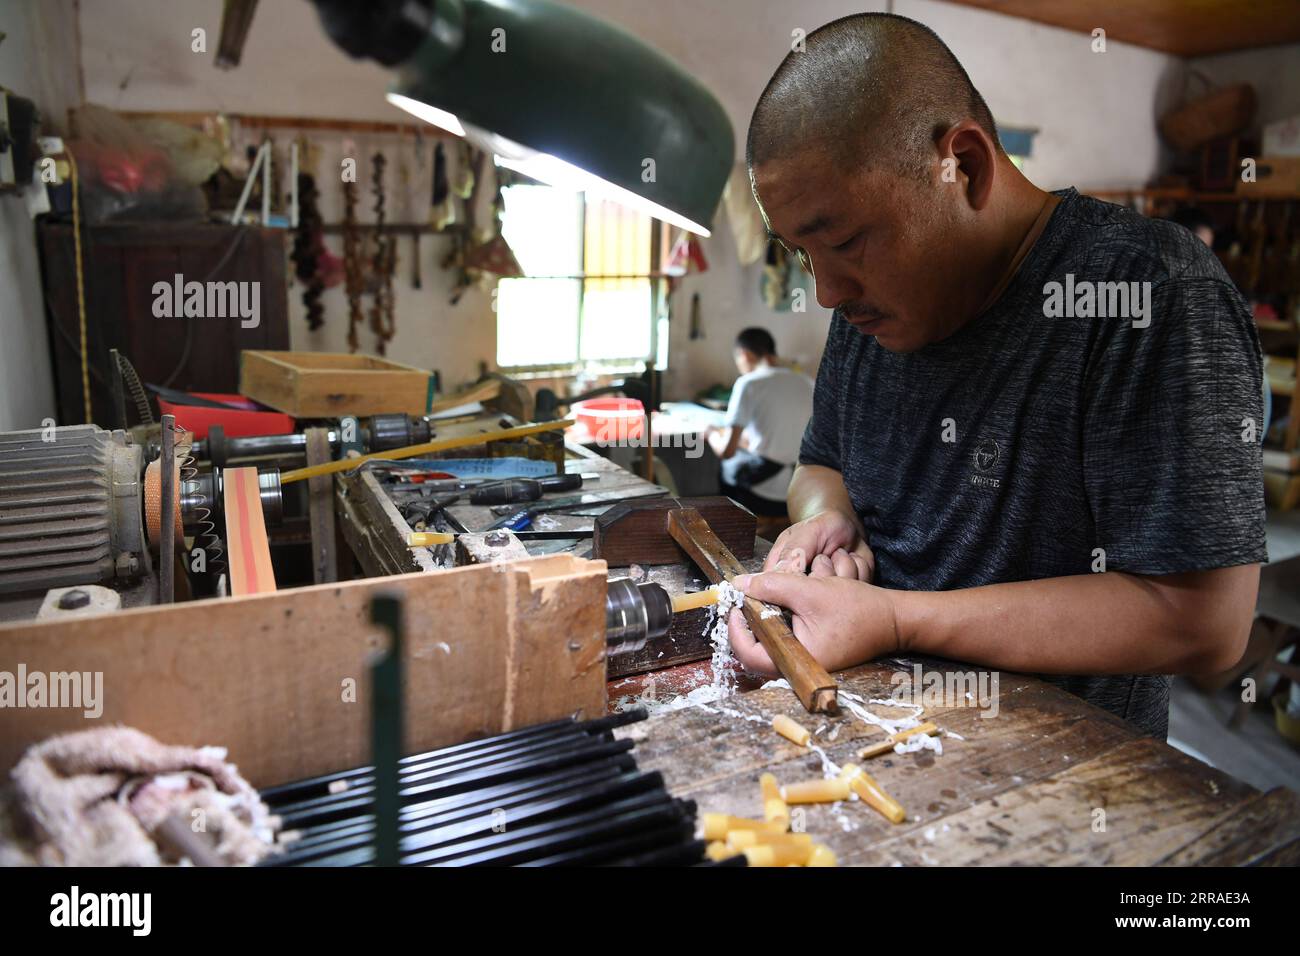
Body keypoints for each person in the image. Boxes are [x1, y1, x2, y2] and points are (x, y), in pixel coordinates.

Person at [727, 13, 1265, 739]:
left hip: (1062, 786)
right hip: (869, 734)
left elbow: (1203, 621)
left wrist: (891, 618)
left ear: (966, 167)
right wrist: (826, 521)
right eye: (800, 253)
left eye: (846, 240)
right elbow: (822, 462)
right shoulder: (869, 306)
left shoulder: (1147, 292)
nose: (824, 291)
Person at [708, 328, 814, 519]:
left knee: (727, 467)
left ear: (744, 354)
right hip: (801, 491)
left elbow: (727, 451)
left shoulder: (749, 383)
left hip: (763, 494)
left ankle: (733, 532)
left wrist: (711, 433)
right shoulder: (807, 382)